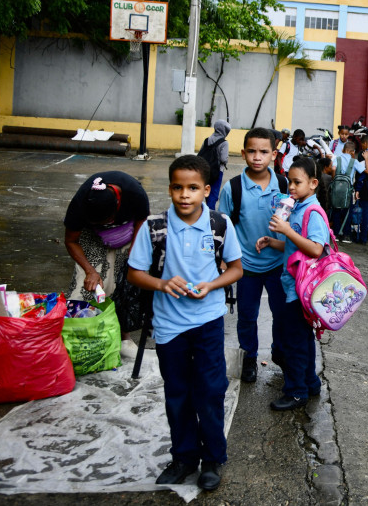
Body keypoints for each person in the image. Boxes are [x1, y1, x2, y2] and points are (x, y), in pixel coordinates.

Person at [127, 155, 243, 490]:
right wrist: (162, 283)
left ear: (206, 190)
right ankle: (183, 457)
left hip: (207, 322)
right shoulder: (154, 227)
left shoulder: (220, 225)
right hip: (168, 326)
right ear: (170, 189)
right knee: (177, 394)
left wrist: (212, 285)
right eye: (178, 187)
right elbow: (134, 273)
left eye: (193, 188)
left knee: (209, 391)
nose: (185, 195)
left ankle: (212, 459)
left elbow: (236, 268)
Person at [256, 157, 329, 411]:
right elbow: (294, 245)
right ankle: (310, 383)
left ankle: (296, 391)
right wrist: (272, 241)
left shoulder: (312, 212)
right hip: (294, 285)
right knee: (302, 339)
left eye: (297, 182)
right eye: (289, 182)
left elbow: (317, 249)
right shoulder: (297, 207)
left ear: (313, 183)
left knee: (294, 342)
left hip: (301, 290)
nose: (292, 188)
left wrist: (287, 231)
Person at [218, 128, 287, 384]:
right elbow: (223, 226)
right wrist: (225, 261)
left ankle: (281, 352)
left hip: (279, 264)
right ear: (243, 153)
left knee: (282, 313)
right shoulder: (233, 188)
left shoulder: (283, 184)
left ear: (274, 154)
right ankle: (249, 356)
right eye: (252, 151)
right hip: (245, 266)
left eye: (264, 152)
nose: (257, 157)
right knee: (247, 315)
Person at [64, 171, 150, 359]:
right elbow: (71, 240)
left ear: (117, 206)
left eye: (106, 221)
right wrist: (90, 271)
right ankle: (83, 339)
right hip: (91, 240)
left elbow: (142, 221)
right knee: (88, 288)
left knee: (122, 286)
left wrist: (134, 252)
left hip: (127, 235)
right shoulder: (80, 203)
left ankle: (123, 338)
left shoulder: (134, 193)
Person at [331, 140, 362, 242]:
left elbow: (333, 168)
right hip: (348, 191)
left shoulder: (337, 158)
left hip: (336, 188)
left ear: (343, 150)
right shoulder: (354, 161)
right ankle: (346, 235)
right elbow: (364, 170)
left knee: (336, 210)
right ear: (353, 152)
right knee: (347, 212)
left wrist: (334, 179)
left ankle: (335, 234)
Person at [202, 120, 231, 209]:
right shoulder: (224, 143)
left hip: (204, 170)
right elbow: (223, 159)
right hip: (217, 171)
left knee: (205, 191)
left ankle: (204, 211)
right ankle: (211, 214)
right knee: (213, 193)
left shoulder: (207, 140)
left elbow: (201, 153)